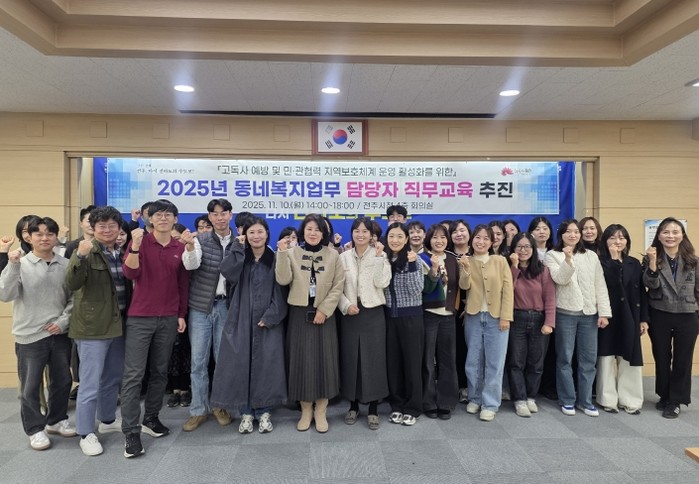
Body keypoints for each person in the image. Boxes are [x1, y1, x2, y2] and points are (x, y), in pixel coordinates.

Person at [120, 199, 189, 458]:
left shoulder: (179, 247)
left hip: (169, 317)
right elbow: (130, 273)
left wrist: (181, 314)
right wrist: (135, 247)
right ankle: (131, 431)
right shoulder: (140, 242)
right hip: (140, 317)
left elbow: (183, 284)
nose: (163, 218)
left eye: (168, 214)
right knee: (134, 375)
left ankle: (151, 417)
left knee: (160, 371)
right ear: (150, 218)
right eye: (158, 214)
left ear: (175, 219)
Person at [0, 217, 75, 450]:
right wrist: (12, 265)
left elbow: (74, 297)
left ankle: (57, 420)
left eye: (49, 233)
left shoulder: (65, 264)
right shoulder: (19, 263)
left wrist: (63, 322)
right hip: (30, 335)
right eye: (39, 234)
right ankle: (35, 429)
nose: (44, 238)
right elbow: (5, 294)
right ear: (29, 237)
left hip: (59, 333)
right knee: (30, 386)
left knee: (63, 381)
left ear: (55, 237)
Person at [210, 217, 287, 434]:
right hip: (241, 317)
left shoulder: (274, 258)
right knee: (240, 363)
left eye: (260, 232)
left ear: (267, 234)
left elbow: (282, 290)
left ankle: (264, 411)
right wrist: (237, 247)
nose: (256, 236)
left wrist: (272, 315)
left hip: (267, 320)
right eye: (251, 232)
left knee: (267, 365)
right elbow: (227, 271)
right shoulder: (240, 257)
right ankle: (245, 412)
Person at [66, 206, 131, 456]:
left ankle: (106, 419)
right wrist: (80, 257)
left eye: (112, 225)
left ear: (119, 228)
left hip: (118, 323)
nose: (107, 230)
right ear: (92, 228)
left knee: (112, 377)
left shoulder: (120, 252)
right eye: (101, 226)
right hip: (92, 327)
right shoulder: (86, 250)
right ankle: (85, 432)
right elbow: (72, 282)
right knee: (90, 382)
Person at [275, 214, 344, 433]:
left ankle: (321, 410)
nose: (313, 233)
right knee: (301, 361)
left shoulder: (333, 255)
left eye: (317, 229)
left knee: (325, 361)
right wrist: (282, 253)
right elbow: (283, 279)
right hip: (299, 313)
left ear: (324, 233)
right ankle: (305, 410)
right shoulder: (292, 253)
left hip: (325, 313)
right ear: (303, 232)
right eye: (309, 229)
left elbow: (338, 285)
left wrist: (324, 309)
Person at [544, 219, 611, 417]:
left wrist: (604, 312)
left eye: (576, 231)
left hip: (589, 314)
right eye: (568, 231)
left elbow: (600, 284)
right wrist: (567, 260)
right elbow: (560, 279)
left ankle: (585, 401)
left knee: (588, 360)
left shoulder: (591, 255)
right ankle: (567, 399)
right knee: (564, 358)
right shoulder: (552, 255)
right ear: (561, 234)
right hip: (565, 313)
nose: (572, 235)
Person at [180, 199, 234, 431]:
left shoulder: (239, 242)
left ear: (231, 215)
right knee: (198, 361)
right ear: (210, 217)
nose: (220, 218)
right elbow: (191, 266)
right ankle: (198, 410)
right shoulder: (199, 240)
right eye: (215, 214)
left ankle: (220, 406)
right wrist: (189, 247)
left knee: (223, 361)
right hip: (201, 307)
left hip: (226, 307)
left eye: (224, 213)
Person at [338, 217, 391, 430]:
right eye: (356, 231)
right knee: (352, 359)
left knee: (374, 360)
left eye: (365, 231)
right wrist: (345, 305)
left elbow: (382, 282)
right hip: (350, 313)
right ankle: (352, 405)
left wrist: (378, 258)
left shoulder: (381, 255)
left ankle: (373, 408)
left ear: (371, 235)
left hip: (373, 313)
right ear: (352, 233)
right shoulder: (343, 257)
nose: (360, 235)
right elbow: (335, 287)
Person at [643, 217, 699, 418]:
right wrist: (652, 262)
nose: (670, 236)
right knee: (661, 357)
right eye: (666, 232)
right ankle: (665, 395)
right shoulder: (651, 258)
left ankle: (676, 401)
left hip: (687, 314)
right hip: (660, 313)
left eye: (675, 232)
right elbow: (651, 284)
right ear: (658, 235)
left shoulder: (693, 261)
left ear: (682, 235)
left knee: (683, 359)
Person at [462, 224, 514, 422]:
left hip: (496, 317)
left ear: (492, 242)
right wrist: (465, 269)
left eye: (486, 238)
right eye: (477, 237)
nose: (481, 241)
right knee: (473, 361)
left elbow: (508, 290)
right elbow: (464, 286)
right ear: (472, 239)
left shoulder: (500, 261)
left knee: (495, 362)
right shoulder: (466, 260)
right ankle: (475, 398)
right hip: (473, 316)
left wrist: (505, 316)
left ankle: (490, 403)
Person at [596, 224, 648, 415]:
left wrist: (644, 319)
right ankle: (607, 399)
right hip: (608, 316)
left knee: (630, 358)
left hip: (630, 315)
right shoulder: (600, 261)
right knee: (606, 358)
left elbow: (642, 293)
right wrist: (613, 259)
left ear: (627, 241)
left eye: (621, 237)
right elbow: (611, 281)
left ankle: (631, 400)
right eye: (612, 237)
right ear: (605, 241)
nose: (617, 241)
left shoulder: (634, 263)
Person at [420, 223, 469, 420]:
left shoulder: (452, 259)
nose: (439, 241)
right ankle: (428, 402)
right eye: (435, 237)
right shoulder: (422, 258)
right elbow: (423, 288)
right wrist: (433, 269)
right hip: (428, 315)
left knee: (448, 360)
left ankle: (446, 402)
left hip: (448, 316)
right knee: (427, 361)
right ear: (428, 240)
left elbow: (459, 287)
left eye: (442, 237)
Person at [506, 233, 555, 417]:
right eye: (519, 246)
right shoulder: (509, 268)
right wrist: (514, 267)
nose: (523, 250)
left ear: (533, 249)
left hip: (539, 319)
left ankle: (531, 396)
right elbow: (507, 291)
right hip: (516, 318)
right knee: (516, 362)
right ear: (513, 249)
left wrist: (549, 322)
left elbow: (550, 297)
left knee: (536, 363)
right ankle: (519, 399)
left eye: (527, 246)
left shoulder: (542, 270)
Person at [383, 223, 424, 426]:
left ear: (406, 239)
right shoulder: (383, 259)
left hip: (411, 318)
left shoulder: (414, 259)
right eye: (392, 236)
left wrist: (412, 265)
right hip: (389, 317)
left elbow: (417, 290)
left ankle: (413, 407)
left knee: (412, 364)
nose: (395, 240)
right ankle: (397, 405)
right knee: (394, 364)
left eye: (400, 236)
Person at [166, 223, 191, 408]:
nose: (174, 242)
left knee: (186, 349)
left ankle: (185, 388)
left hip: (189, 307)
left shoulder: (189, 254)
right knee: (171, 350)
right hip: (168, 308)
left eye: (177, 238)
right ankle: (175, 389)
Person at [448, 219, 471, 402]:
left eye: (462, 230)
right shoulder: (446, 255)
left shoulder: (477, 253)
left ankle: (466, 386)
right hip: (449, 307)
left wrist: (469, 305)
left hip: (472, 306)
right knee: (452, 348)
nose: (459, 234)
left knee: (468, 348)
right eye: (455, 231)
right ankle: (452, 386)